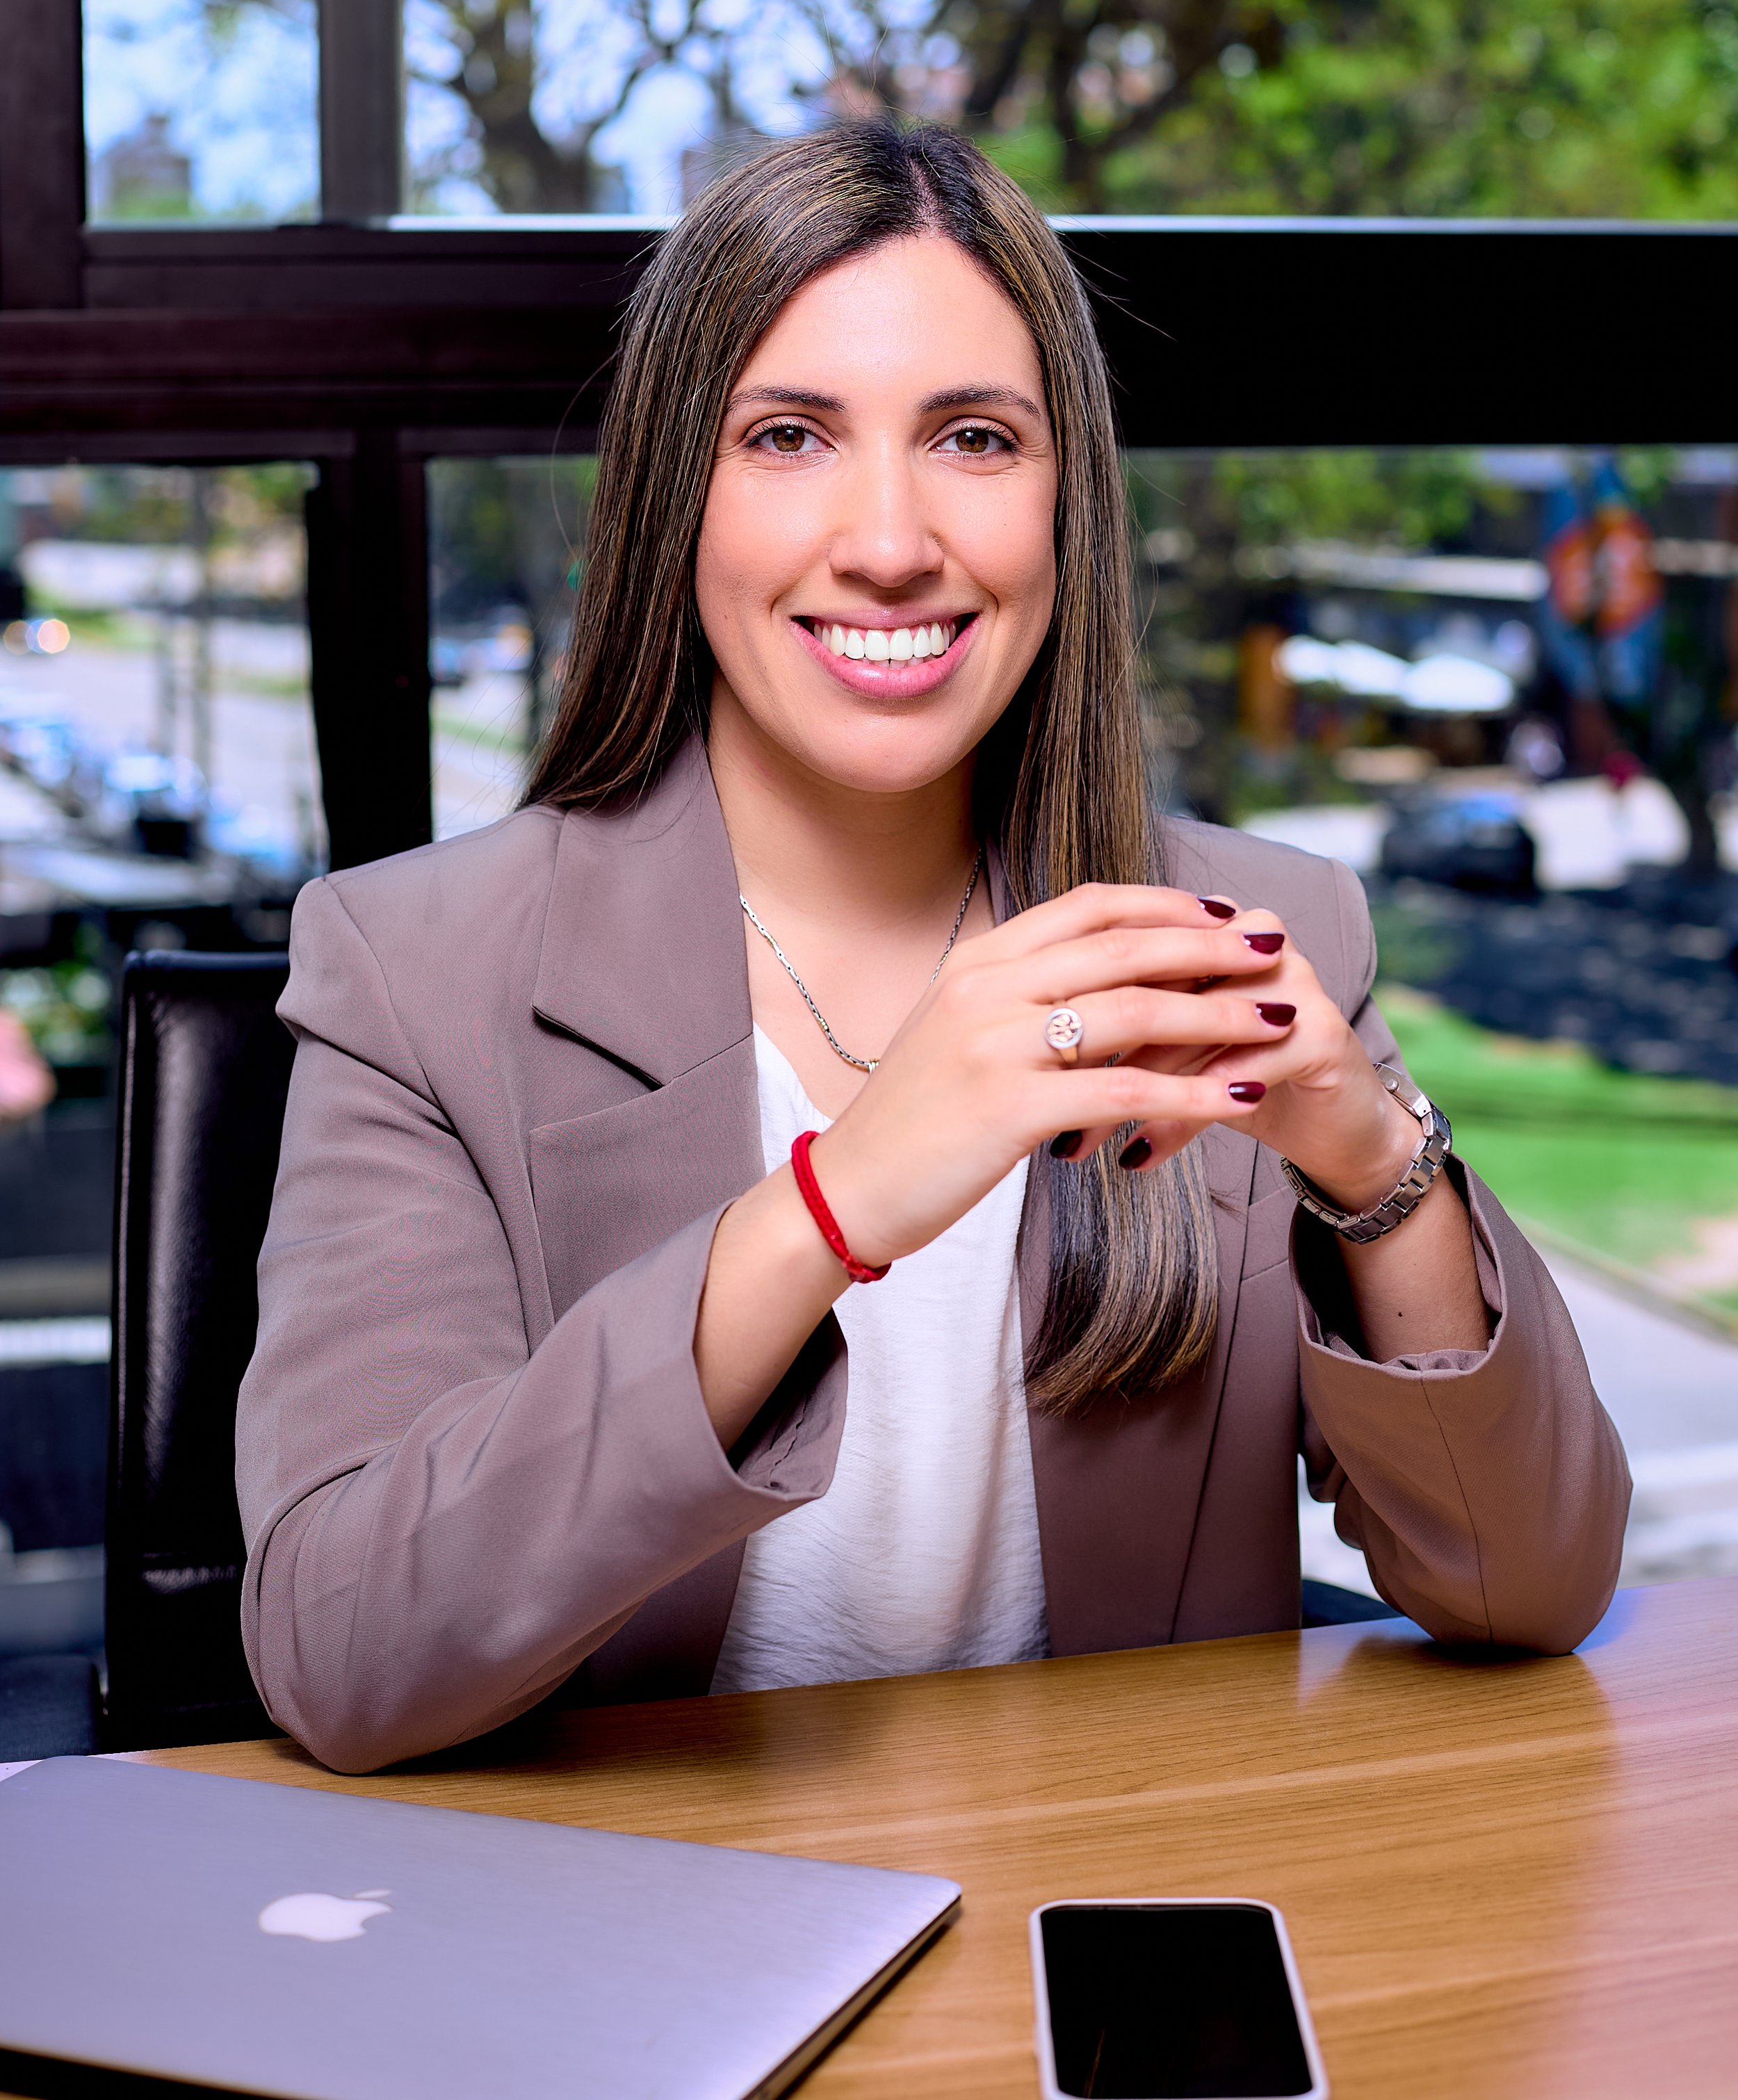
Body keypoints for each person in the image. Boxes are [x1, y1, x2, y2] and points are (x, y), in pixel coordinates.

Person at [236, 123, 1627, 1775]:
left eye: (972, 438)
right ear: (677, 491)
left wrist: (1363, 1156)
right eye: (789, 436)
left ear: (1065, 501)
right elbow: (340, 1654)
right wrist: (830, 1206)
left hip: (1104, 1953)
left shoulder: (1251, 933)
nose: (890, 540)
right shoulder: (412, 968)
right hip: (629, 1950)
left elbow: (1530, 1582)